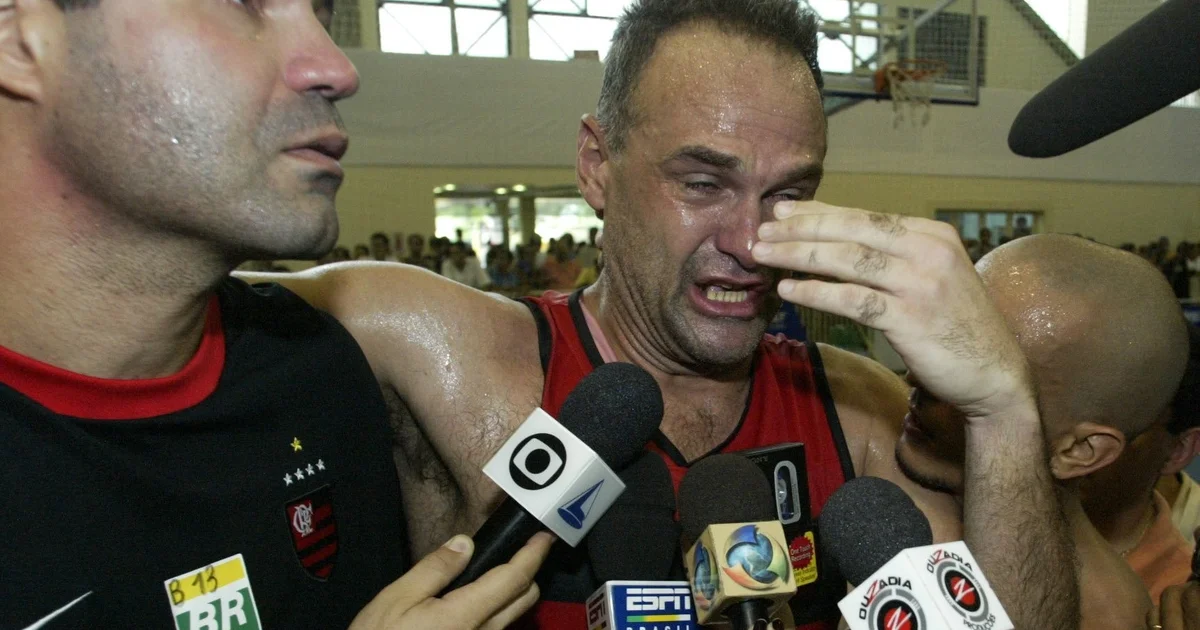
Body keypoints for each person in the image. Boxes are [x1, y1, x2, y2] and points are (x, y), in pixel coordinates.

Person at [248, 1, 1078, 628]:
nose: (752, 243)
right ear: (597, 165)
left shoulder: (861, 418)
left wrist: (1002, 408)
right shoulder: (446, 350)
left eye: (789, 193)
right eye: (703, 183)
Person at [0, 0, 551, 628]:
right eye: (244, 4)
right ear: (19, 39)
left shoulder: (331, 372)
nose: (337, 69)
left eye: (321, 11)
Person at [901, 235, 1190, 624]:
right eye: (945, 343)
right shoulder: (918, 506)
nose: (916, 378)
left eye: (984, 381)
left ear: (1080, 449)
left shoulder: (1100, 615)